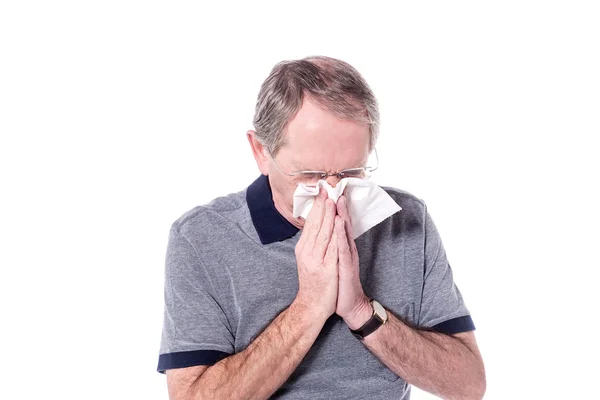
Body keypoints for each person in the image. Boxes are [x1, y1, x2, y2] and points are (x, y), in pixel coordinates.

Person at [156, 55, 486, 399]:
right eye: (309, 175)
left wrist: (361, 311)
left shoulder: (405, 221)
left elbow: (468, 385)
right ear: (261, 152)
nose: (331, 192)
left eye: (350, 174)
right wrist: (310, 306)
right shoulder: (200, 238)